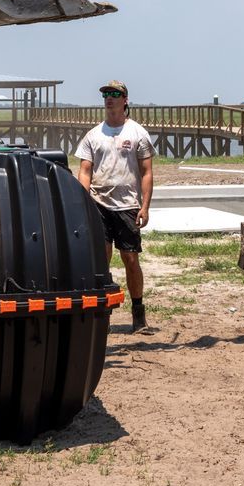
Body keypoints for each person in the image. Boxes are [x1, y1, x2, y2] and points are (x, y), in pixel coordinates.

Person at [75, 79, 154, 331]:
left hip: (128, 204)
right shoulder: (93, 135)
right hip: (99, 204)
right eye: (106, 94)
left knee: (130, 258)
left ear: (125, 100)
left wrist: (145, 206)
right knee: (101, 258)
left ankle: (138, 312)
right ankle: (101, 314)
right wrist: (83, 201)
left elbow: (146, 172)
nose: (109, 98)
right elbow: (85, 171)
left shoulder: (137, 133)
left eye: (114, 94)